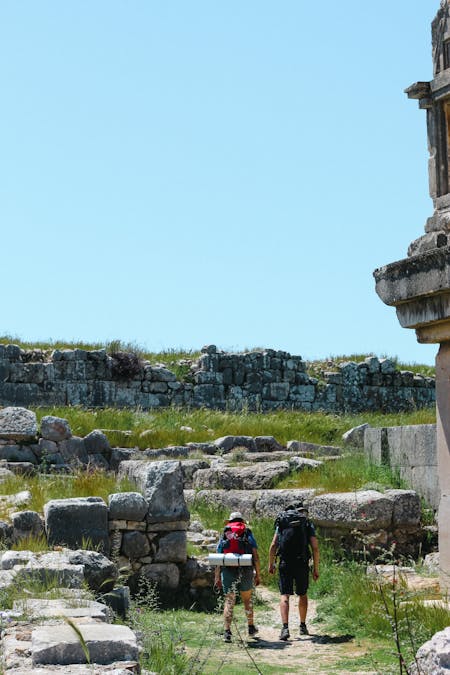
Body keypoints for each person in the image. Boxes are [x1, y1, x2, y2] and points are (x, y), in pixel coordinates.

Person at [268, 503, 319, 641]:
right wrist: (315, 568)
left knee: (285, 595)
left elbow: (273, 545)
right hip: (302, 562)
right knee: (302, 594)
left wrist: (271, 564)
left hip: (285, 562)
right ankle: (302, 625)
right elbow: (315, 547)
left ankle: (285, 628)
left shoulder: (282, 521)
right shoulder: (306, 523)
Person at [214, 511, 261, 643]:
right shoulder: (246, 532)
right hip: (245, 569)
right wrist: (258, 573)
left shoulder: (225, 532)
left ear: (230, 521)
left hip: (228, 570)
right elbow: (255, 555)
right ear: (242, 521)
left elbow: (219, 556)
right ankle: (251, 627)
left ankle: (227, 632)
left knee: (229, 601)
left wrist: (217, 577)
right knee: (247, 600)